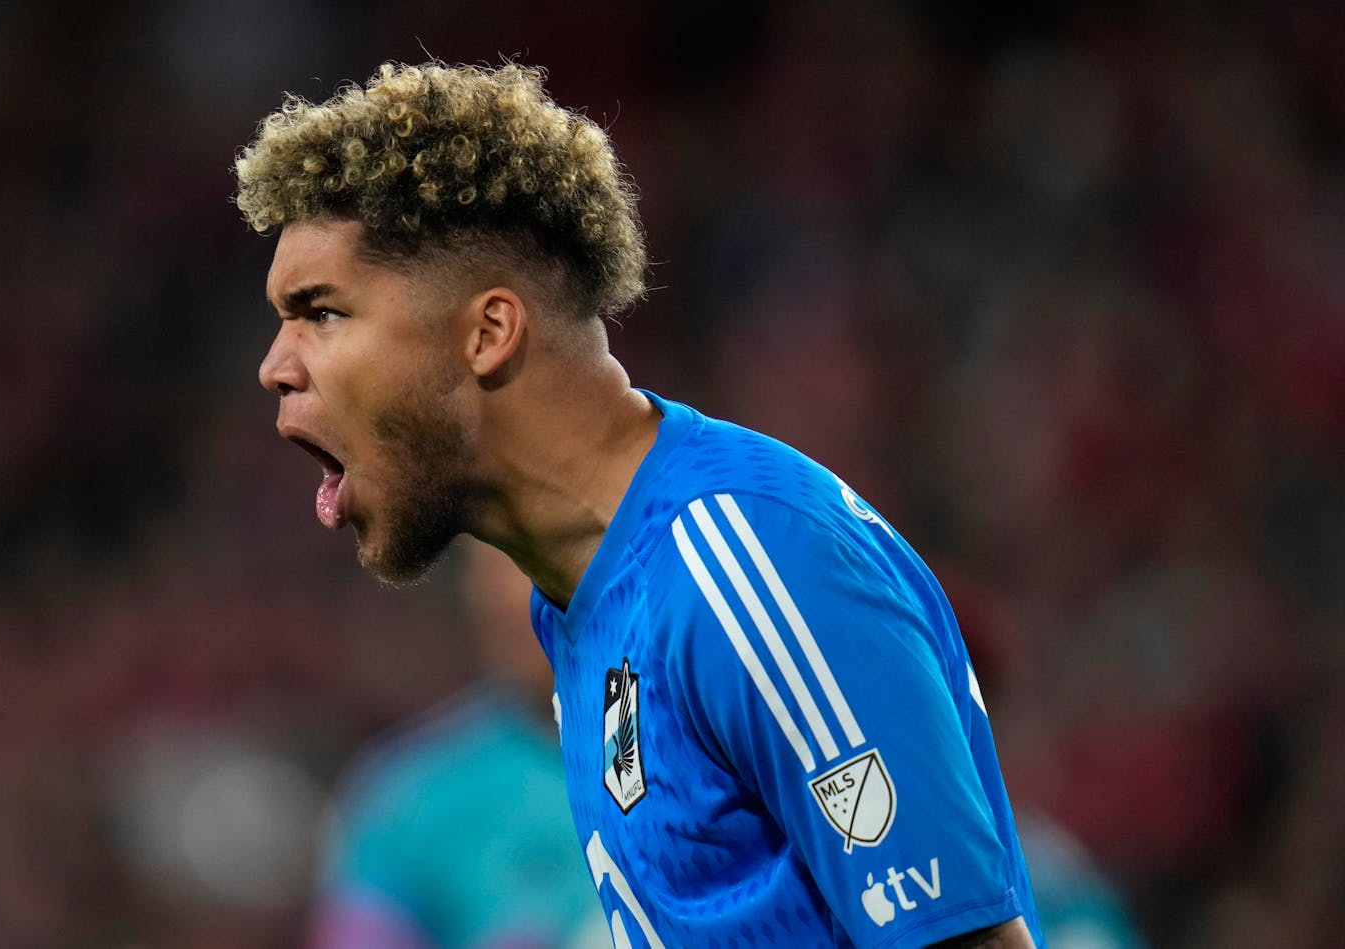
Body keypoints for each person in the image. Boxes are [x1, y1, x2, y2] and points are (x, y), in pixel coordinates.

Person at [237, 61, 1043, 947]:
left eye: (321, 311)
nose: (277, 366)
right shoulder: (580, 612)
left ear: (487, 332)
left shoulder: (748, 565)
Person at [309, 540, 609, 949]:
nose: (499, 594)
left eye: (525, 560)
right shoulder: (406, 798)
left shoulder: (699, 743)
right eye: (481, 567)